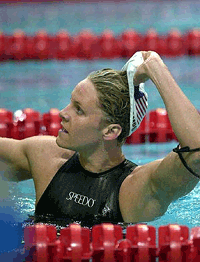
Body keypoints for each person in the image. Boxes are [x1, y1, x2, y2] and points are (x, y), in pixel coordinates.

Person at [0, 51, 199, 228]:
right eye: (70, 103)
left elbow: (196, 151)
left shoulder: (136, 189)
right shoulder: (45, 157)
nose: (63, 113)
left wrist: (155, 66)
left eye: (79, 109)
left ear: (110, 131)